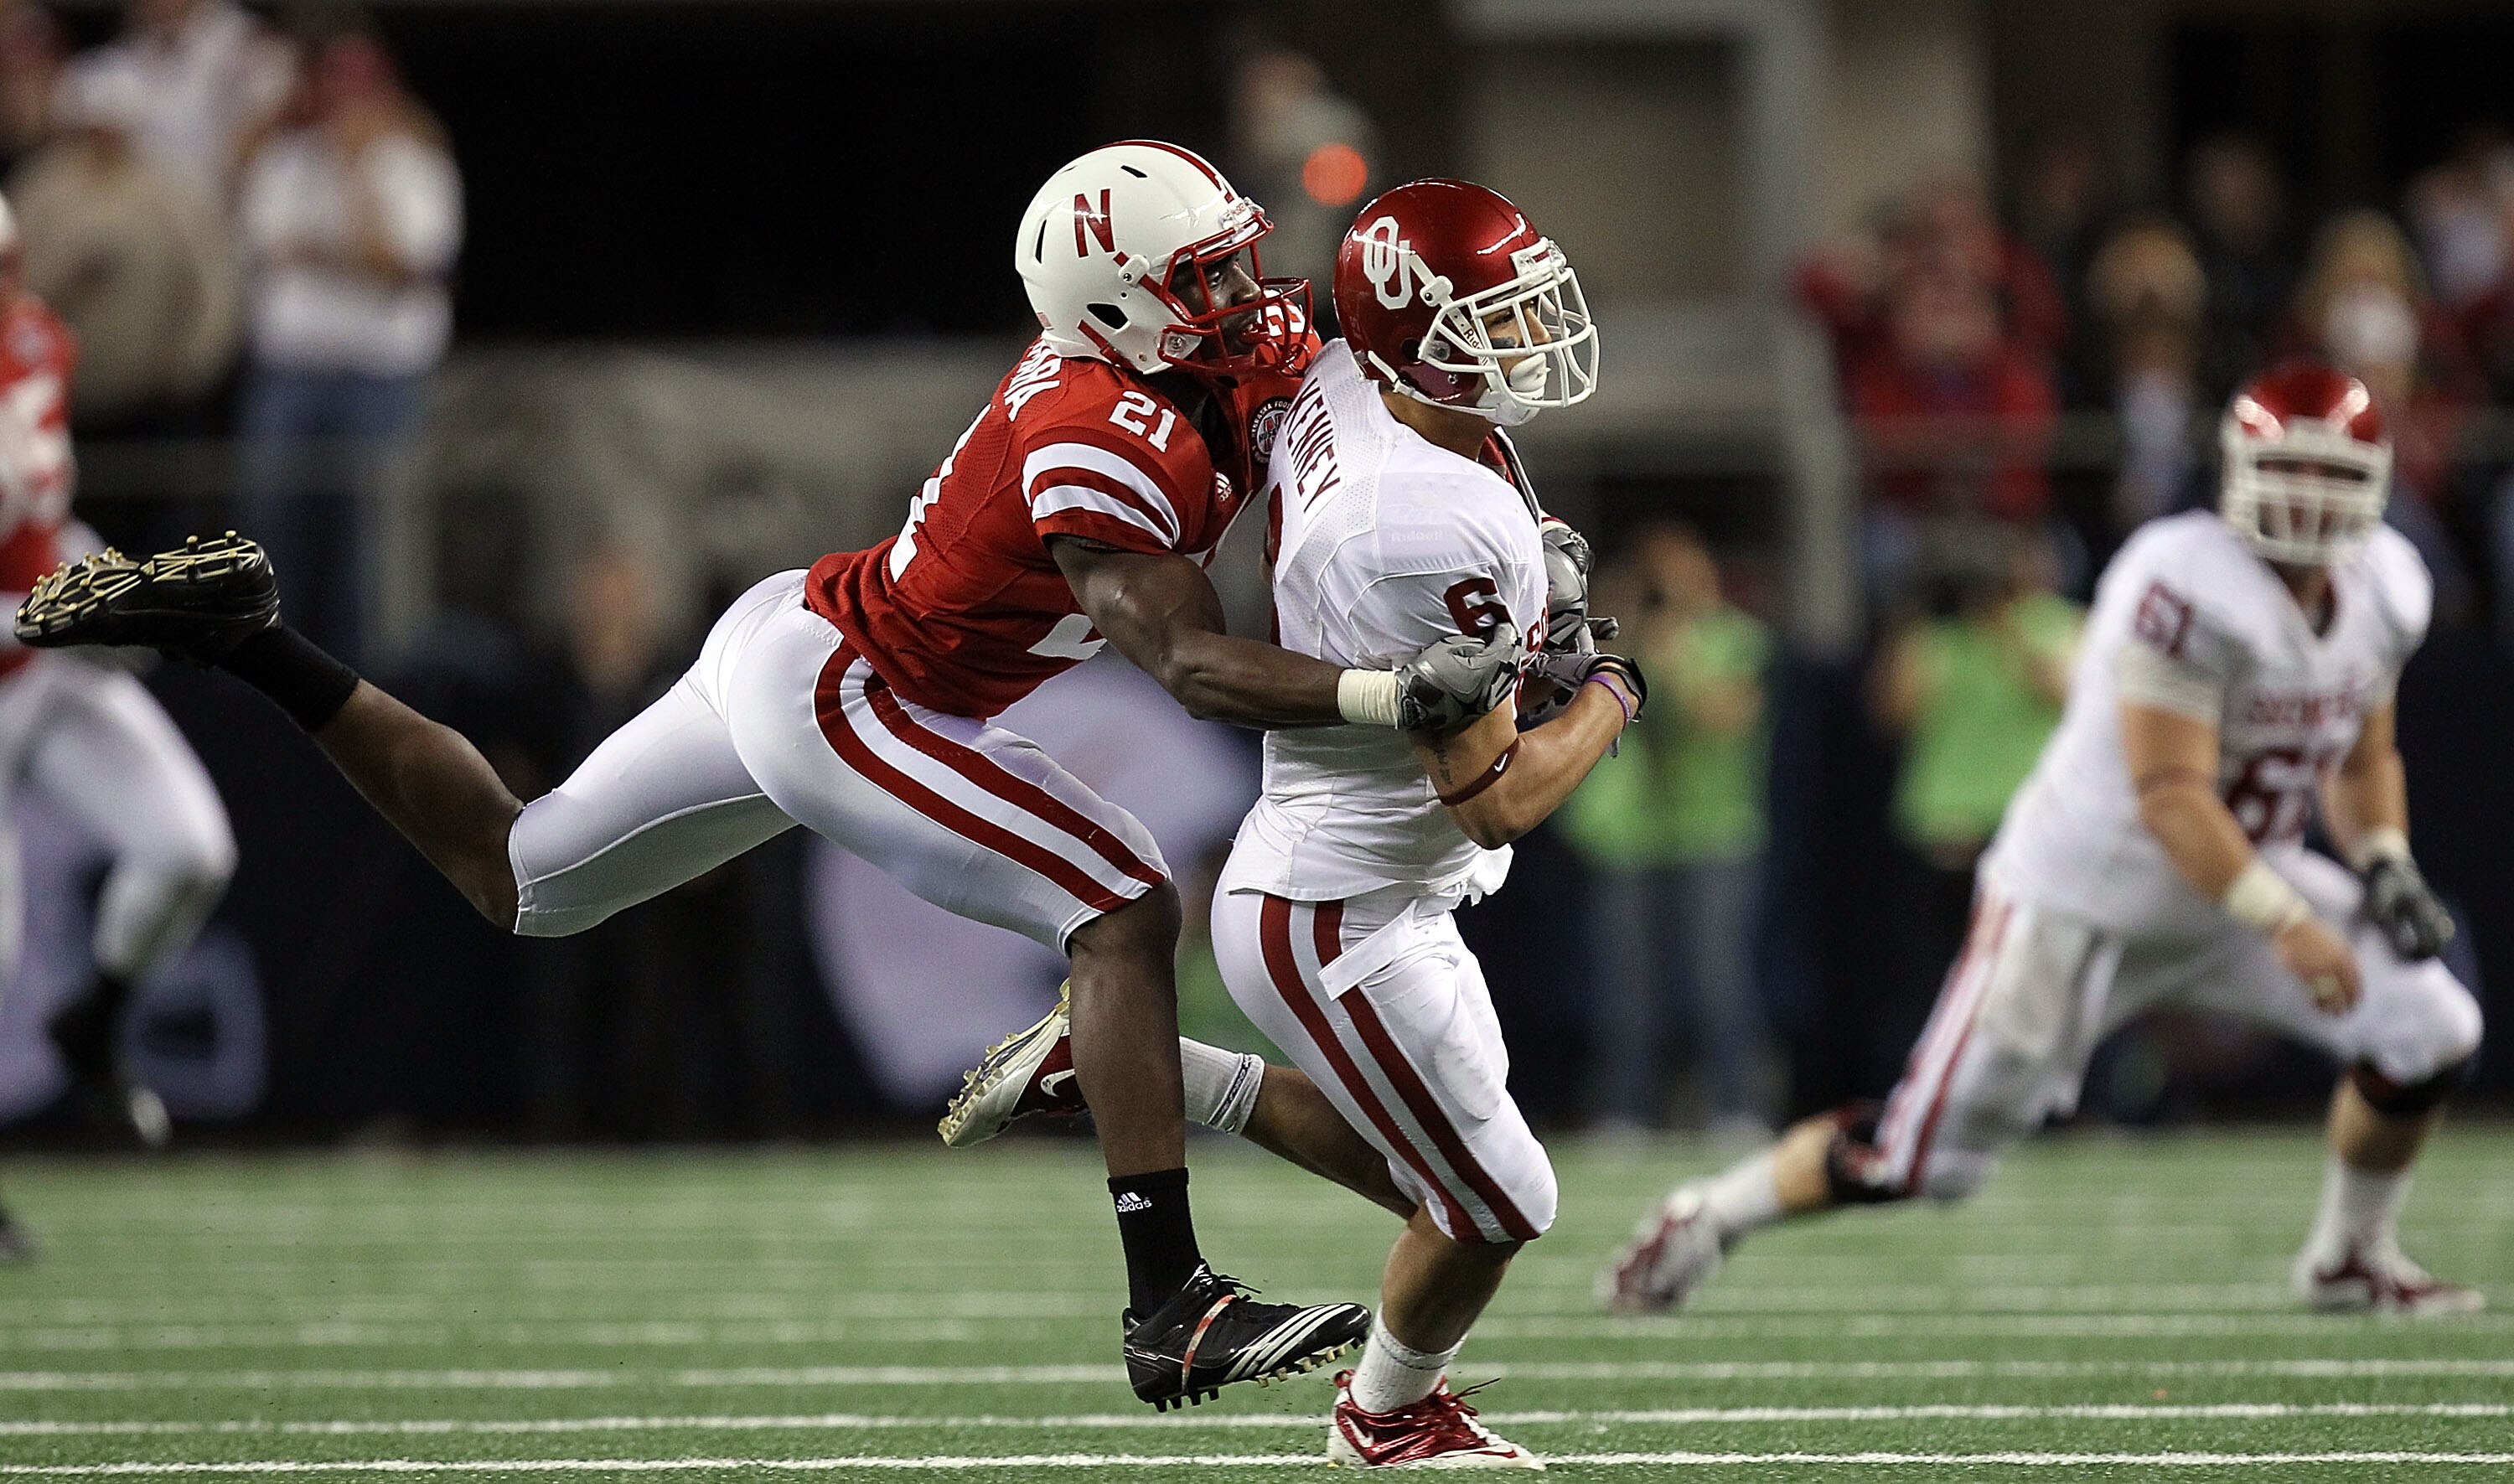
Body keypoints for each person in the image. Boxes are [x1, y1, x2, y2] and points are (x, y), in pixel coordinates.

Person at [15, 142, 1518, 1405]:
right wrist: (1390, 687)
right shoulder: (1096, 433)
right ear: (1119, 312)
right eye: (1205, 281)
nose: (1245, 299)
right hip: (854, 688)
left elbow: (1354, 330)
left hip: (801, 633)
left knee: (520, 877)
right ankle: (1168, 1301)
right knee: (1122, 902)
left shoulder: (1191, 347)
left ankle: (255, 639)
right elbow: (1187, 667)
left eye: (1238, 262)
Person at [946, 178, 1639, 1469]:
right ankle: (1385, 1418)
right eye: (1500, 318)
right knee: (1494, 1200)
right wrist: (1610, 689)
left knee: (1452, 1186)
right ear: (1416, 335)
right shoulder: (1416, 523)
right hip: (1343, 904)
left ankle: (1134, 1062)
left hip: (1360, 871)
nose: (1533, 339)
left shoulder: (1346, 373)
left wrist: (1527, 609)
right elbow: (1500, 793)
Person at [1602, 361, 2484, 1318]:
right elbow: (2173, 797)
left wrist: (2386, 861)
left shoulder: (2388, 587)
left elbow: (2362, 760)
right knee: (1924, 1159)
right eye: (2290, 472)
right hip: (2087, 895)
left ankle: (2349, 1255)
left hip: (2240, 883)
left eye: (2331, 476)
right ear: (2236, 470)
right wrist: (2289, 920)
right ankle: (1706, 1217)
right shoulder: (2182, 579)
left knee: (2432, 1026)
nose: (2309, 501)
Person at [0, 191, 238, 1257]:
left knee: (189, 850)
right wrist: (66, 614)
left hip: (40, 667)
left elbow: (41, 521)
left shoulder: (34, 337)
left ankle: (93, 1023)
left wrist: (102, 582)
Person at [234, 26, 461, 662]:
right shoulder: (284, 161)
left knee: (372, 554)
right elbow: (274, 250)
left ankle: (370, 687)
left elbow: (406, 263)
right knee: (272, 540)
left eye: (361, 91)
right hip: (293, 377)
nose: (347, 105)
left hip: (381, 381)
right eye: (336, 88)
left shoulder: (417, 165)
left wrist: (357, 182)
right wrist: (359, 258)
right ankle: (267, 680)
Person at [1563, 523, 1772, 1135]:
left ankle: (1735, 1105)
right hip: (1632, 833)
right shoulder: (1619, 641)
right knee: (1625, 983)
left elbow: (1722, 716)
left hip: (1715, 830)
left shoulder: (1737, 636)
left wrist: (1670, 649)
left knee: (1718, 977)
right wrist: (1626, 622)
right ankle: (1626, 1109)